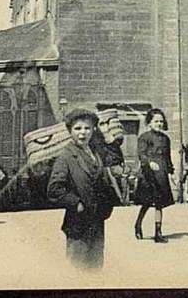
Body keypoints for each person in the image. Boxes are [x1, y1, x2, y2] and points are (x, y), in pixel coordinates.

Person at [47, 108, 117, 270]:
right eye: (77, 128)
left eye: (87, 128)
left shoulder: (95, 152)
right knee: (77, 268)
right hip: (77, 223)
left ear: (93, 130)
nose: (82, 133)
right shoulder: (66, 156)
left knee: (96, 267)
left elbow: (115, 159)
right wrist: (76, 203)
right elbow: (54, 189)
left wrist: (108, 136)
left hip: (97, 220)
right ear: (70, 131)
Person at [134, 108, 175, 243]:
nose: (159, 124)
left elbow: (168, 157)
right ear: (149, 123)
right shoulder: (144, 137)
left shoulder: (166, 139)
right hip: (148, 173)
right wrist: (149, 163)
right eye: (156, 121)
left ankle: (158, 232)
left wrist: (171, 172)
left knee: (159, 203)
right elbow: (142, 154)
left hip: (161, 172)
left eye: (161, 121)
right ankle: (138, 224)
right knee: (146, 202)